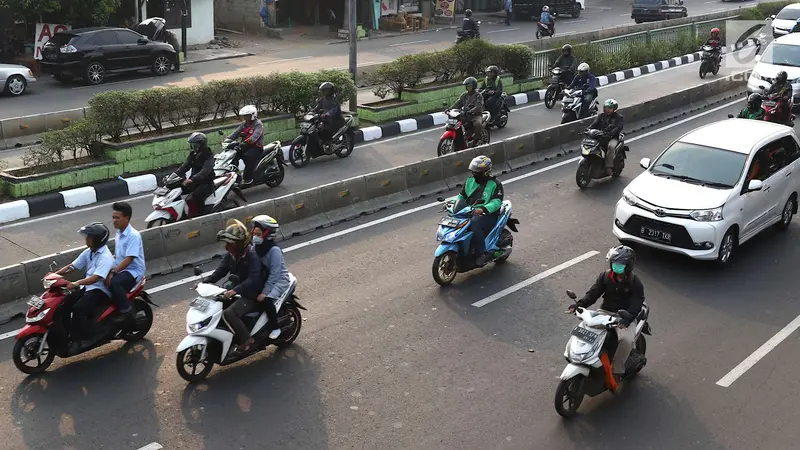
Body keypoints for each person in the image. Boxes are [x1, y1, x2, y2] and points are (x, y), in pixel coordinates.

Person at [568, 245, 645, 380]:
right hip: (604, 312)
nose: (616, 266)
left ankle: (617, 371)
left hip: (624, 317)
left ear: (628, 266)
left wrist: (628, 317)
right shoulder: (605, 276)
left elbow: (636, 303)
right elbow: (593, 293)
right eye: (614, 263)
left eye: (620, 264)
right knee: (586, 330)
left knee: (626, 340)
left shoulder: (635, 282)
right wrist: (579, 305)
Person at [204, 220, 266, 354]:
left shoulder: (251, 255)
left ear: (238, 244)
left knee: (229, 313)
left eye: (230, 243)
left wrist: (234, 291)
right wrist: (205, 282)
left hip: (251, 294)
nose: (227, 246)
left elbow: (253, 279)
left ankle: (247, 340)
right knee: (217, 305)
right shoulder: (231, 256)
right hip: (236, 291)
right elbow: (220, 271)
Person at [52, 223, 114, 351]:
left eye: (89, 237)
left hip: (99, 290)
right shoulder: (89, 252)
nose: (86, 239)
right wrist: (54, 275)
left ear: (97, 239)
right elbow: (72, 266)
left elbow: (96, 278)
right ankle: (67, 334)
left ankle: (84, 338)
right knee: (64, 304)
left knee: (78, 309)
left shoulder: (105, 257)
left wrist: (77, 283)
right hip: (87, 287)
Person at [457, 155, 504, 267]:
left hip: (487, 214)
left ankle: (481, 252)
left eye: (477, 172)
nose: (474, 174)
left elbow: (496, 202)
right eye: (473, 171)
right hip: (469, 211)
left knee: (474, 224)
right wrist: (451, 204)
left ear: (485, 172)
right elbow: (461, 197)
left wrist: (483, 208)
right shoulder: (469, 181)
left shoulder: (495, 184)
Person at [251, 215, 291, 341]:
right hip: (265, 278)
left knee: (267, 300)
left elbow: (275, 274)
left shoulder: (274, 251)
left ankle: (275, 327)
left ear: (267, 234)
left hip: (279, 280)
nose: (255, 236)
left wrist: (264, 292)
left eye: (258, 234)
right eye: (254, 233)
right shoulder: (254, 248)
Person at [107, 202, 146, 326]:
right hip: (122, 267)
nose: (114, 220)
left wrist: (114, 272)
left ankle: (125, 310)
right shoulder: (119, 233)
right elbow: (118, 255)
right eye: (113, 217)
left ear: (126, 218)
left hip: (133, 271)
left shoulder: (133, 235)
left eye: (117, 218)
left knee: (114, 282)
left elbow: (129, 259)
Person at [176, 132, 215, 218]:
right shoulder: (193, 155)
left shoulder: (208, 155)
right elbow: (185, 166)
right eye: (192, 145)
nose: (193, 147)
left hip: (206, 183)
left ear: (201, 145)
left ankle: (199, 216)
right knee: (176, 191)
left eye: (194, 145)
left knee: (192, 198)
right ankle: (182, 215)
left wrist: (192, 179)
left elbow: (205, 170)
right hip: (194, 181)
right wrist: (173, 175)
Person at [228, 105, 264, 185]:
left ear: (252, 115)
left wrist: (245, 142)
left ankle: (248, 177)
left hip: (256, 146)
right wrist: (227, 139)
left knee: (247, 157)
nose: (245, 117)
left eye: (247, 116)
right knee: (233, 156)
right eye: (244, 116)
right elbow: (236, 133)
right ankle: (236, 176)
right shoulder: (244, 124)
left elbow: (255, 137)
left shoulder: (258, 124)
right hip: (245, 145)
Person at [588, 99, 624, 176]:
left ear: (614, 109)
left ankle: (609, 166)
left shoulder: (618, 117)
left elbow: (619, 127)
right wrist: (588, 129)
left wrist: (611, 133)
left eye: (609, 108)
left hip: (613, 138)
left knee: (611, 147)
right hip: (601, 136)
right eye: (606, 108)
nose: (607, 110)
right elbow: (594, 125)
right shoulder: (601, 116)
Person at [450, 77, 485, 145]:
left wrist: (471, 111)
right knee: (456, 123)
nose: (467, 87)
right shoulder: (464, 95)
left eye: (469, 86)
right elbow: (458, 103)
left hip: (476, 115)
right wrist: (449, 109)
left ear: (474, 86)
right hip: (465, 114)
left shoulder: (478, 95)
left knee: (477, 124)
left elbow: (478, 106)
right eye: (466, 86)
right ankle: (459, 139)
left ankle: (478, 139)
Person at [314, 81, 344, 149]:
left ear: (330, 91)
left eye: (325, 90)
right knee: (317, 128)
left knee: (325, 129)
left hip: (336, 120)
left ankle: (331, 144)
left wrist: (326, 114)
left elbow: (334, 110)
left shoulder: (333, 100)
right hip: (327, 120)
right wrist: (310, 113)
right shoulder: (323, 99)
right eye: (323, 90)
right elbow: (317, 108)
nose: (323, 92)